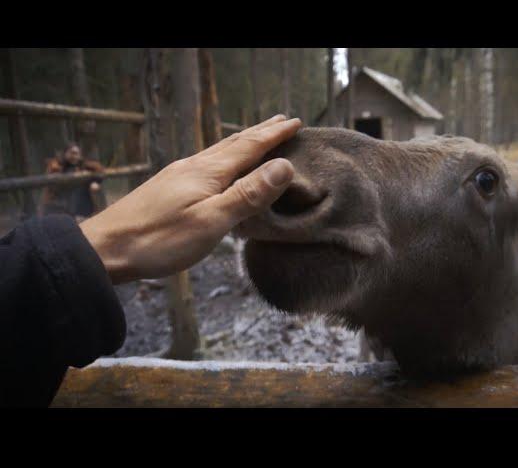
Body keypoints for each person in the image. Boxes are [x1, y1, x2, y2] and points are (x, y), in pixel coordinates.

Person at [0, 115, 300, 407]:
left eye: (79, 153)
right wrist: (97, 245)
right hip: (64, 213)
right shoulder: (57, 171)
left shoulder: (82, 167)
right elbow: (51, 195)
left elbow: (96, 172)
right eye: (73, 154)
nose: (76, 156)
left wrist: (84, 245)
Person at [40, 143, 105, 222]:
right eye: (72, 153)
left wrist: (95, 181)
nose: (74, 156)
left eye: (76, 154)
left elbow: (99, 169)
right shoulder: (57, 166)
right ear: (65, 153)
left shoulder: (83, 165)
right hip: (60, 207)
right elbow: (52, 180)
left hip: (81, 208)